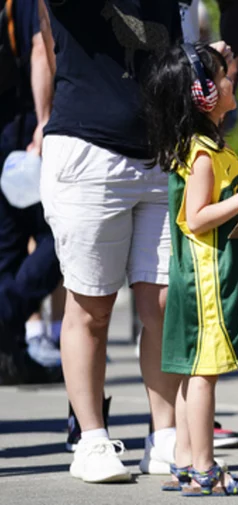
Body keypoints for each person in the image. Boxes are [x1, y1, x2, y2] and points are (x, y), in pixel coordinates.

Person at [40, 0, 184, 483]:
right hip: (87, 151)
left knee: (165, 303)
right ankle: (92, 439)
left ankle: (164, 437)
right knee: (92, 306)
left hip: (162, 152)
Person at [143, 42, 238, 495]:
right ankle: (205, 467)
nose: (231, 78)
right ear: (204, 95)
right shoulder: (200, 153)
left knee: (192, 371)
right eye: (221, 75)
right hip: (207, 276)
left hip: (209, 271)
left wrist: (212, 53)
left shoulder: (203, 144)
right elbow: (197, 218)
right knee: (203, 375)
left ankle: (184, 461)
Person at [0, 0, 61, 385]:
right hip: (21, 130)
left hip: (7, 125)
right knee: (60, 231)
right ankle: (6, 321)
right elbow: (41, 48)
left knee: (6, 247)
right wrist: (45, 120)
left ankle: (10, 352)